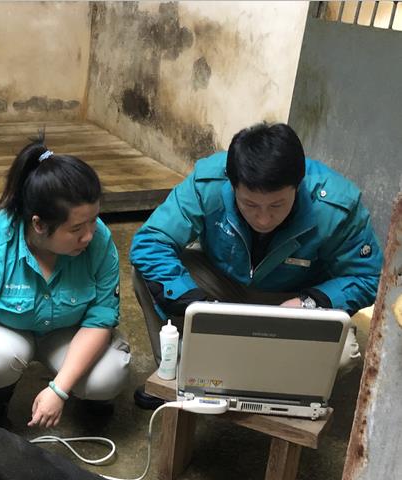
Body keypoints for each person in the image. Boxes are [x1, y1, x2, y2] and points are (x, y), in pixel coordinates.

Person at [130, 122, 382, 407]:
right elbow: (151, 242)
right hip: (221, 284)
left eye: (277, 205)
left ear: (298, 186)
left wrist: (310, 303)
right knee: (145, 273)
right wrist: (199, 307)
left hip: (293, 298)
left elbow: (369, 276)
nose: (263, 219)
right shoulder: (208, 182)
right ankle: (174, 374)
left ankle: (271, 390)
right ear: (232, 184)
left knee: (345, 354)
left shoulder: (336, 205)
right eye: (250, 204)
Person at [0, 139, 131, 429]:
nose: (89, 236)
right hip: (8, 330)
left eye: (93, 220)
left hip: (68, 331)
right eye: (76, 229)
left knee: (108, 375)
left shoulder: (99, 242)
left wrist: (59, 390)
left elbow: (99, 321)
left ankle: (90, 399)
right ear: (39, 225)